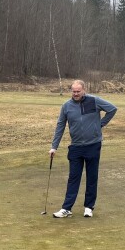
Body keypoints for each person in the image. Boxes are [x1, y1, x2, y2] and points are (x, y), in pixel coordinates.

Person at [49, 80, 117, 218]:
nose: (75, 94)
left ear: (84, 90)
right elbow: (60, 126)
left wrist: (100, 125)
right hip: (75, 147)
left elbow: (112, 109)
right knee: (73, 178)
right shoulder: (66, 106)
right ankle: (66, 208)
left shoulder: (94, 101)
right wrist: (54, 147)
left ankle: (88, 207)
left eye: (78, 91)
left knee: (92, 176)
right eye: (73, 91)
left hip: (93, 145)